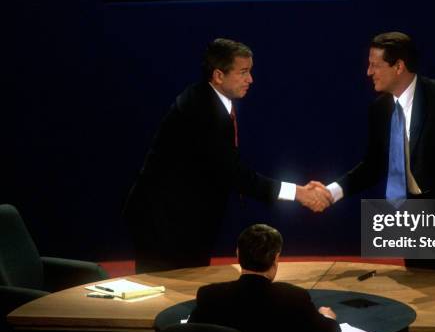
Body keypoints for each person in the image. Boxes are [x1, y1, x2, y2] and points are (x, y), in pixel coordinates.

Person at [123, 38, 332, 273]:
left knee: (187, 287)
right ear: (219, 75)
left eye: (250, 71)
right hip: (164, 222)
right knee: (168, 296)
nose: (250, 79)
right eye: (243, 72)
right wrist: (298, 193)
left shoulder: (209, 100)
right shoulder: (202, 111)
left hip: (181, 219)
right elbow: (235, 174)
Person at [314, 31, 435, 281]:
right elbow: (373, 166)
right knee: (426, 294)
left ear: (399, 66)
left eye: (375, 65)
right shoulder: (380, 109)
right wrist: (332, 192)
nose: (368, 72)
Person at [189, 224, 341, 332]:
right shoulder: (293, 297)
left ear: (237, 254)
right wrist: (327, 317)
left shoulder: (210, 295)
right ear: (276, 258)